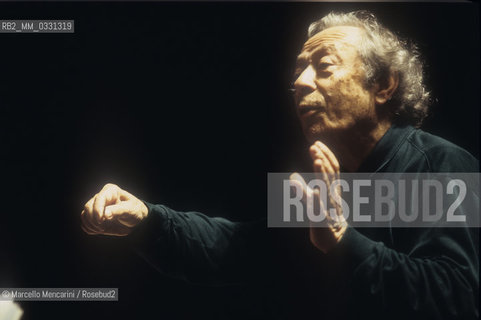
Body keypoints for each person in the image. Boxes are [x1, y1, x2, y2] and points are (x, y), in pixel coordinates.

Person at [80, 11, 479, 319]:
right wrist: (146, 219)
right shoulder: (314, 183)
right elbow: (232, 250)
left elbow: (457, 298)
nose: (302, 83)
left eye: (324, 66)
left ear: (384, 85)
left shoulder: (442, 164)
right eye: (298, 74)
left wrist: (341, 238)